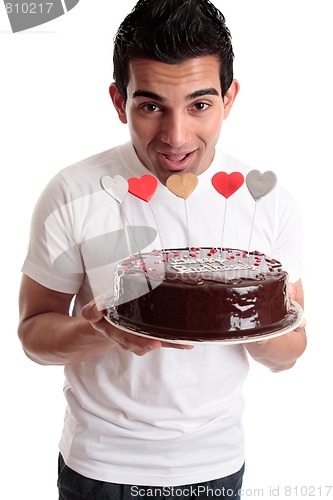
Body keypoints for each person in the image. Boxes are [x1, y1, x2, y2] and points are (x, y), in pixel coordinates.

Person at [18, 0, 307, 498]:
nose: (176, 137)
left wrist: (243, 321)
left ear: (229, 98)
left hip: (217, 464)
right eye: (151, 106)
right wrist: (105, 330)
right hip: (101, 467)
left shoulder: (265, 200)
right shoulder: (73, 191)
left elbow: (292, 351)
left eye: (200, 105)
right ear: (118, 100)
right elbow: (33, 336)